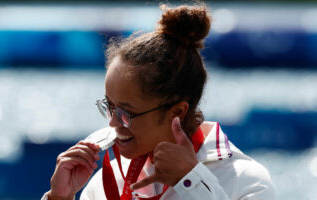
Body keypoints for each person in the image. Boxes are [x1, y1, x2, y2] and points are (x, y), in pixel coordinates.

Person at [42, 3, 274, 200]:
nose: (112, 123)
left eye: (126, 112)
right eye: (109, 107)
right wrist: (60, 197)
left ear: (178, 113)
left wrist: (191, 182)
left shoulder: (247, 181)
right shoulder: (105, 184)